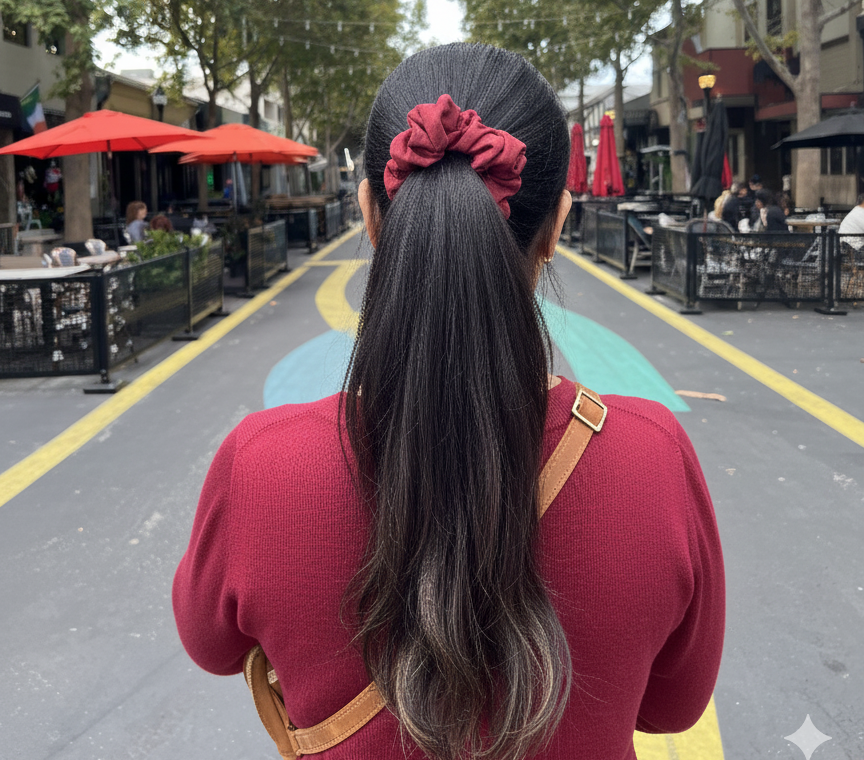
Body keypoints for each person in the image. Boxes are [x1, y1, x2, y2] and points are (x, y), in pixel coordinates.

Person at [173, 44, 725, 760]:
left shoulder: (260, 464)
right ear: (557, 223)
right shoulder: (654, 456)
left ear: (371, 216)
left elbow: (209, 643)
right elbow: (672, 708)